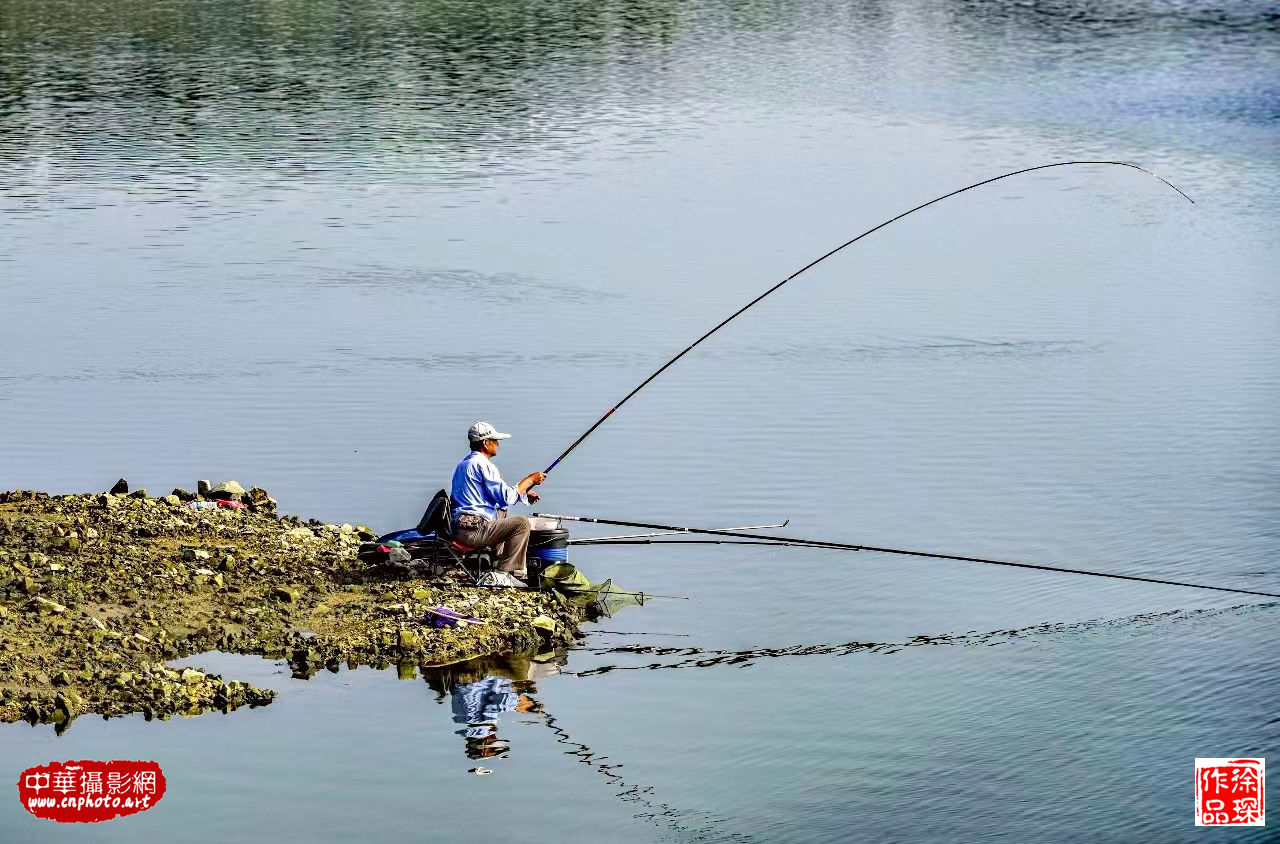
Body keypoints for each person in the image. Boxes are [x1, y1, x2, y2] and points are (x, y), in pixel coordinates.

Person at [450, 421, 546, 581]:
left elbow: (501, 500)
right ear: (486, 443)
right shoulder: (483, 465)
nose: (498, 444)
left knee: (502, 510)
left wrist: (523, 494)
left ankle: (499, 560)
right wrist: (529, 480)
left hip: (461, 528)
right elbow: (506, 497)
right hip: (473, 531)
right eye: (495, 441)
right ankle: (505, 573)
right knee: (521, 524)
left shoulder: (464, 464)